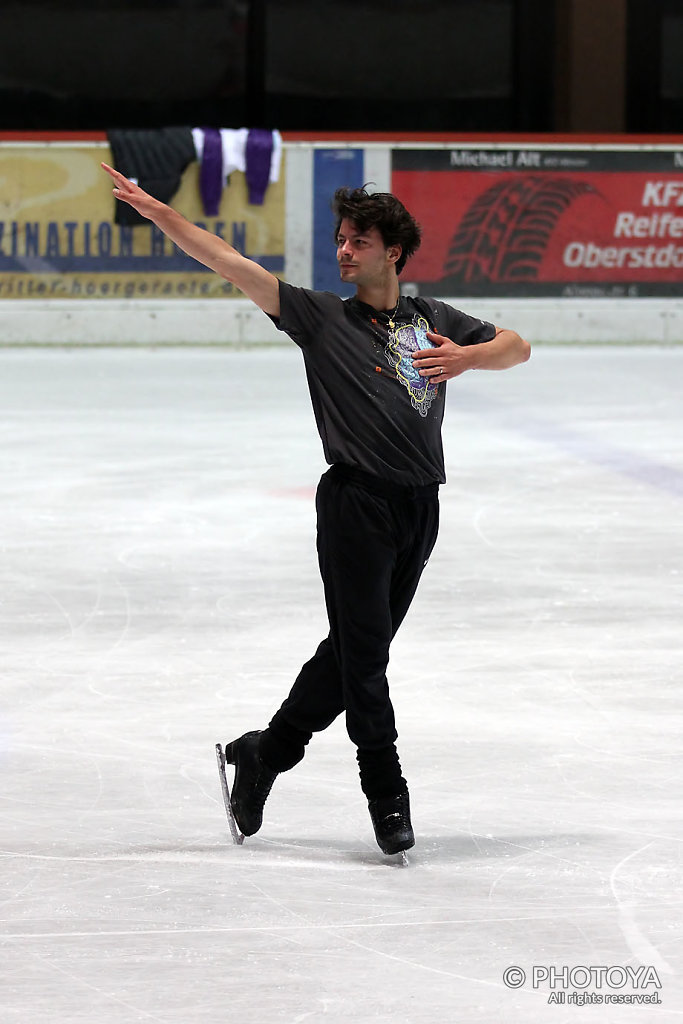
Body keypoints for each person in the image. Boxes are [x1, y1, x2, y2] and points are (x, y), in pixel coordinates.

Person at [102, 162, 530, 856]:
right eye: (339, 240)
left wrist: (469, 358)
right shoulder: (320, 318)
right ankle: (385, 794)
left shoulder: (432, 321)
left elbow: (518, 346)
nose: (342, 251)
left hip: (420, 506)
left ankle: (264, 753)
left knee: (355, 649)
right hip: (354, 506)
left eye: (356, 241)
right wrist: (158, 212)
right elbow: (227, 260)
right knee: (365, 660)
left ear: (391, 251)